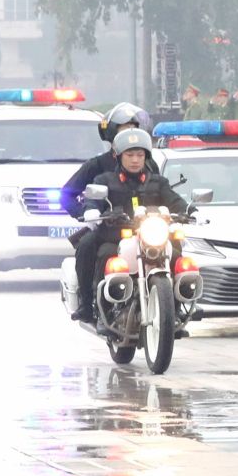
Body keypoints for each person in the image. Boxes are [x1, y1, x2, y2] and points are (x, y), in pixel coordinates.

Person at [74, 127, 192, 324]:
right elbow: (92, 200)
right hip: (116, 235)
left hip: (152, 235)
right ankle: (89, 303)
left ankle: (175, 306)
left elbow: (175, 200)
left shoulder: (158, 181)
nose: (135, 160)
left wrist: (189, 210)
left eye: (140, 154)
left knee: (177, 252)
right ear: (119, 156)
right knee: (90, 246)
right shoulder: (104, 180)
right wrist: (91, 210)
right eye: (130, 155)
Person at [63, 103, 156, 323]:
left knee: (176, 246)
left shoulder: (148, 163)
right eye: (125, 129)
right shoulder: (97, 165)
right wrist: (87, 214)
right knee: (86, 247)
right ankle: (87, 303)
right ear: (112, 132)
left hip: (146, 227)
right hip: (109, 227)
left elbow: (161, 190)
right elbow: (66, 194)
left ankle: (176, 298)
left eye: (135, 128)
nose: (131, 134)